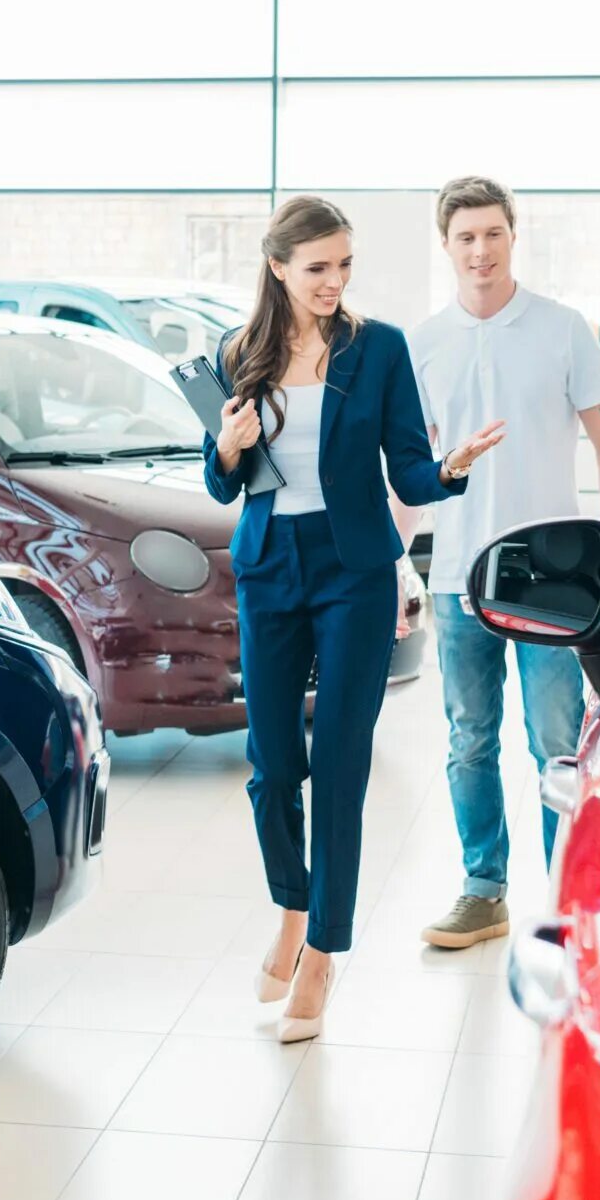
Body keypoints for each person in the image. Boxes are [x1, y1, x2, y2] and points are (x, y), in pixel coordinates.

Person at [207, 195, 504, 1042]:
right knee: (270, 765)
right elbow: (224, 482)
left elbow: (407, 470)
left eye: (344, 265)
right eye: (317, 267)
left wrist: (449, 469)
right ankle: (293, 909)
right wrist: (225, 448)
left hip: (356, 572)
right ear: (278, 268)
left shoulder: (378, 349)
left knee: (338, 765)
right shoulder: (242, 352)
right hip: (269, 567)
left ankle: (324, 954)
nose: (334, 281)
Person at [404, 177, 600, 950]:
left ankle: (567, 896)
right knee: (469, 736)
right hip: (457, 576)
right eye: (465, 237)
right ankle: (483, 890)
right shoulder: (422, 343)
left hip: (551, 579)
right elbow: (411, 471)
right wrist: (396, 562)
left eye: (492, 234)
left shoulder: (564, 329)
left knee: (557, 742)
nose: (480, 250)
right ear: (446, 245)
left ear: (513, 235)